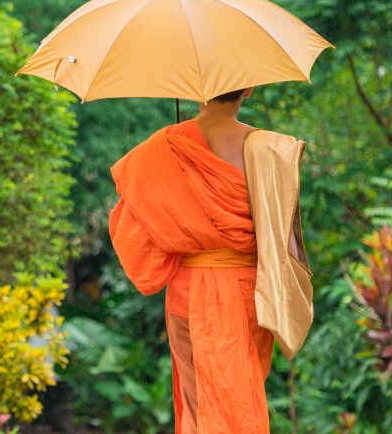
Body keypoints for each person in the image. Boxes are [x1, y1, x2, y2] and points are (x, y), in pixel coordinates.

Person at [108, 88, 313, 433]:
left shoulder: (165, 146)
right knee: (240, 392)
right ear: (248, 88)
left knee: (196, 401)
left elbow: (133, 232)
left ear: (194, 89)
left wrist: (180, 210)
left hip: (188, 292)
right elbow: (285, 237)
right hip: (249, 292)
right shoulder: (270, 149)